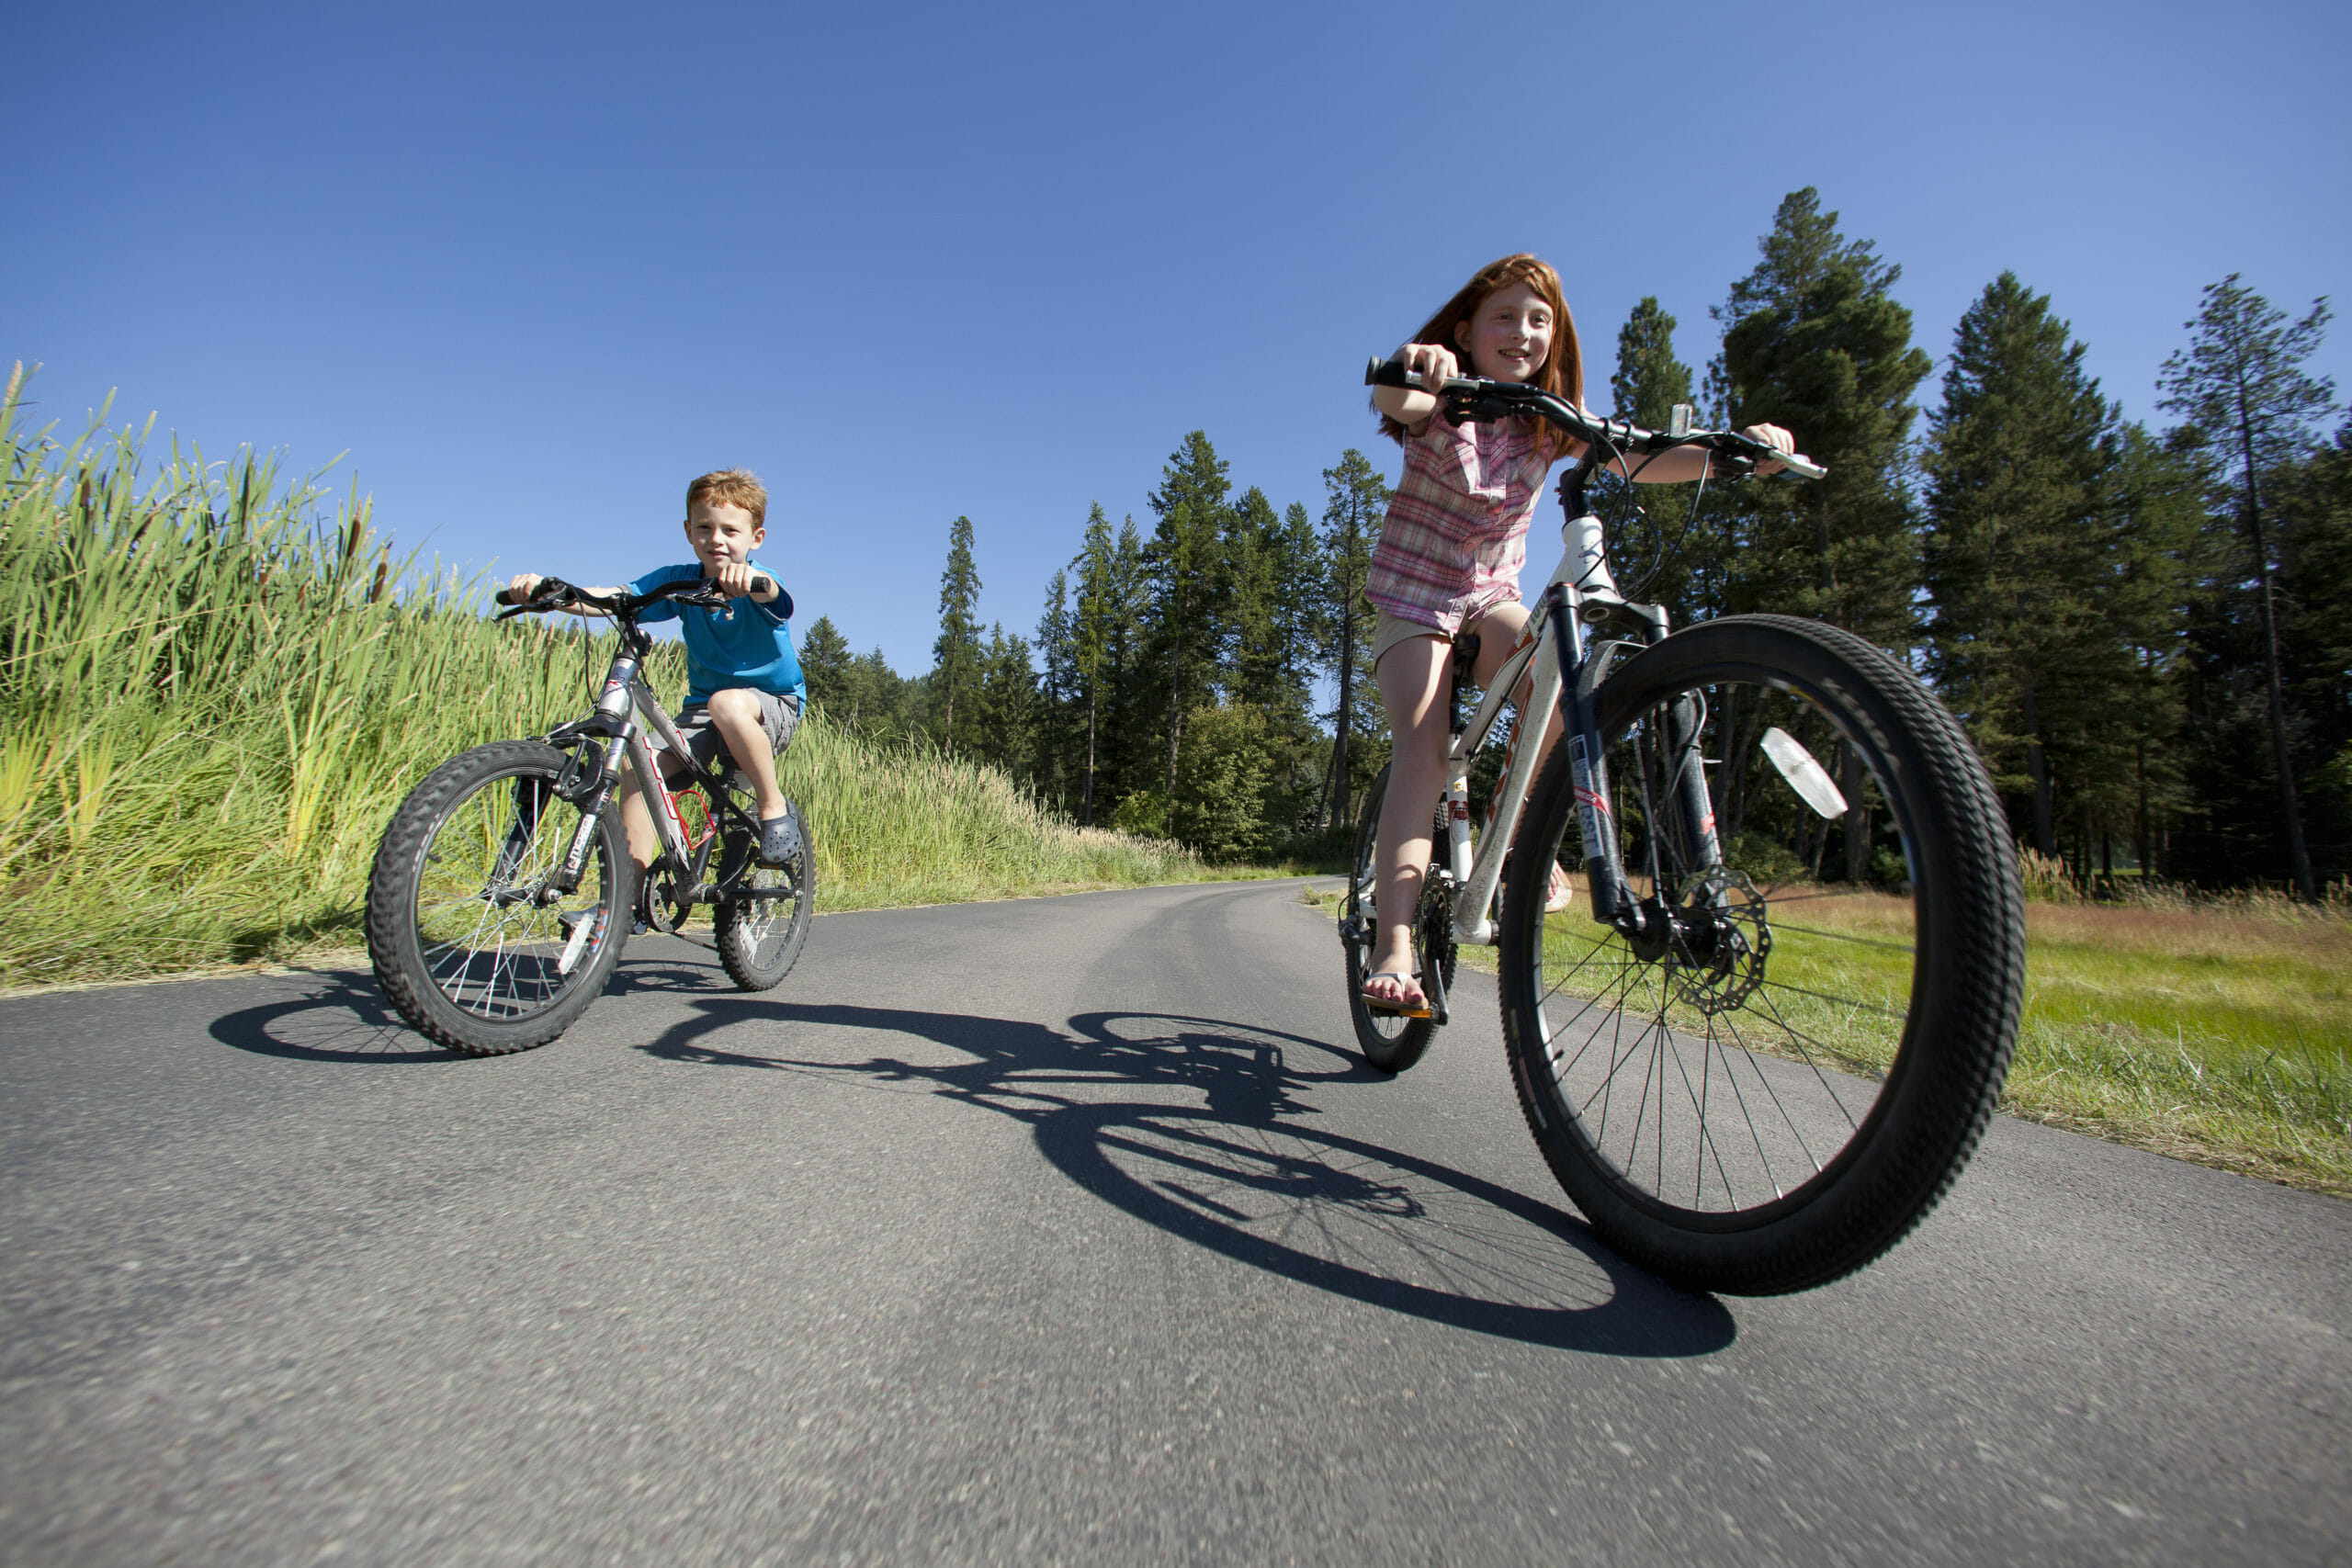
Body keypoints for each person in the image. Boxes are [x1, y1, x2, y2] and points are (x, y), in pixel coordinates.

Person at [1359, 254, 1803, 1015]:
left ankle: (1518, 834)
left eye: (1540, 321)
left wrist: (1738, 457)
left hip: (1487, 595)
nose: (1524, 332)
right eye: (1505, 316)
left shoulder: (1548, 424)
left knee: (1561, 683)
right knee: (1426, 749)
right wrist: (1415, 365)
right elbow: (1393, 396)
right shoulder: (1439, 396)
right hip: (1413, 595)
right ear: (1466, 329)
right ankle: (1392, 941)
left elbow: (1641, 457)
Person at [507, 467, 806, 874]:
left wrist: (752, 580)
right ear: (688, 531)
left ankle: (773, 807)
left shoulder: (759, 579)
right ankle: (628, 895)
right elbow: (620, 597)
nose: (716, 539)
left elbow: (777, 598)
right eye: (704, 527)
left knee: (728, 703)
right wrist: (556, 593)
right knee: (639, 766)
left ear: (756, 538)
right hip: (704, 712)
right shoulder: (679, 582)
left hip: (773, 707)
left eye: (730, 531)